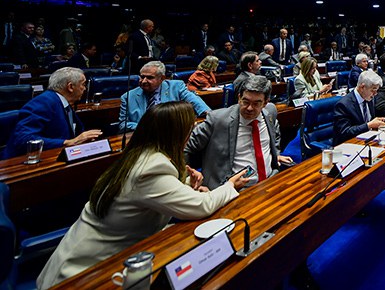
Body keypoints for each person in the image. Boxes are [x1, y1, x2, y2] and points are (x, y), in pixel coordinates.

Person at [37, 102, 248, 288]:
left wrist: (187, 188)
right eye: (189, 129)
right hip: (86, 273)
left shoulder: (140, 154)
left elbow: (150, 195)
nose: (190, 135)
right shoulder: (152, 168)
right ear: (175, 134)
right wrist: (230, 185)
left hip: (89, 257)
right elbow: (201, 207)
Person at [185, 75, 292, 190]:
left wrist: (275, 154)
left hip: (269, 181)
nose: (249, 108)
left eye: (256, 103)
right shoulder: (217, 120)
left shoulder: (269, 114)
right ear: (239, 98)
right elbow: (186, 148)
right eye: (245, 101)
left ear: (265, 103)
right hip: (232, 190)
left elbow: (275, 136)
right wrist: (185, 178)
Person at [4, 67, 103, 158]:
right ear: (70, 87)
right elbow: (23, 139)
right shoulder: (42, 103)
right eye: (83, 84)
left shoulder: (63, 103)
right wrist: (68, 142)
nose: (85, 89)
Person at [120, 61, 209, 131]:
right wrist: (148, 128)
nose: (143, 81)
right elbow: (123, 125)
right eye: (142, 77)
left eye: (150, 78)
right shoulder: (128, 97)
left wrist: (209, 114)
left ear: (162, 78)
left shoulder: (176, 87)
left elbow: (193, 100)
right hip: (143, 139)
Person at [332, 70, 385, 145]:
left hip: (367, 140)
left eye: (377, 90)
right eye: (373, 90)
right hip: (349, 145)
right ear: (362, 87)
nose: (375, 94)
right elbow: (344, 132)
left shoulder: (369, 98)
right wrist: (368, 125)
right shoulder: (343, 105)